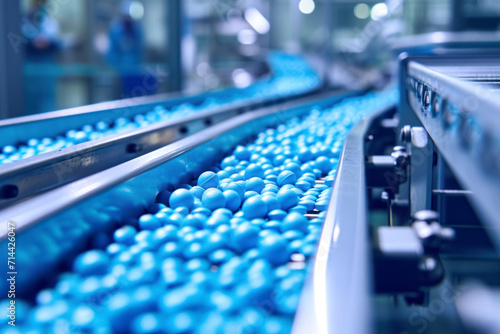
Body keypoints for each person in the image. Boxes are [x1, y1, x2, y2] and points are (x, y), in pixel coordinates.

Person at [22, 0, 61, 114]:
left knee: (47, 103)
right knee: (31, 104)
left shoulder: (50, 22)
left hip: (47, 68)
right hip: (30, 68)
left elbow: (56, 43)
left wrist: (46, 43)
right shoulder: (25, 22)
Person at [108, 1, 153, 98]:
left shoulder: (137, 31)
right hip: (120, 74)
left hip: (135, 73)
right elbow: (111, 54)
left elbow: (141, 52)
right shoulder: (116, 31)